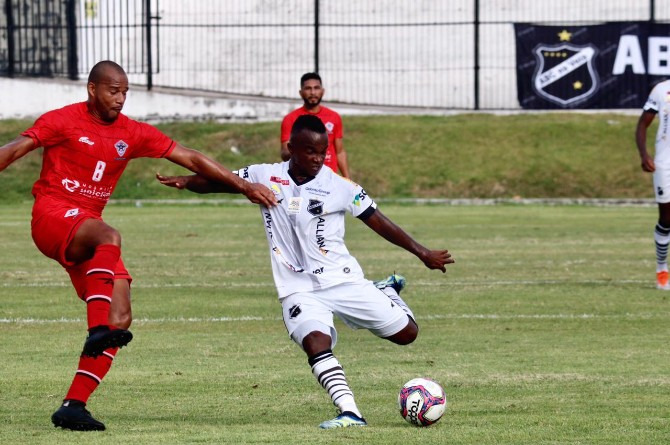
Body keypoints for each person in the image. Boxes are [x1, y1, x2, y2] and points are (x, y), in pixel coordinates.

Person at [0, 60, 277, 431]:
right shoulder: (62, 119)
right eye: (113, 91)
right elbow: (18, 148)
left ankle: (73, 405)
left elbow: (190, 156)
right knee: (109, 236)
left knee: (120, 316)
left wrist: (244, 186)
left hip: (86, 230)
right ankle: (96, 329)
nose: (120, 98)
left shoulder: (132, 132)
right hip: (52, 216)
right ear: (92, 89)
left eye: (125, 92)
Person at [156, 114, 453, 429]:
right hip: (297, 287)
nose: (318, 158)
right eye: (310, 151)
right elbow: (222, 181)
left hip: (343, 280)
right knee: (315, 340)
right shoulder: (264, 175)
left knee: (408, 334)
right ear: (290, 148)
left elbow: (378, 220)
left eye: (323, 151)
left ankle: (387, 291)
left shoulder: (339, 187)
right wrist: (187, 182)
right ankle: (350, 412)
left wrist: (422, 252)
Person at [280, 72, 350, 178]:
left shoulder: (334, 117)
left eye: (316, 88)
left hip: (328, 179)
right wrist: (304, 152)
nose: (313, 92)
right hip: (302, 179)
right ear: (301, 92)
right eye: (308, 88)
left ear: (322, 91)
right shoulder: (290, 119)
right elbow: (285, 152)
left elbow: (339, 152)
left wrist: (347, 179)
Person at [636, 79, 670, 290]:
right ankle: (661, 269)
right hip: (665, 163)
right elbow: (642, 124)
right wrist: (644, 154)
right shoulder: (661, 90)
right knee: (667, 219)